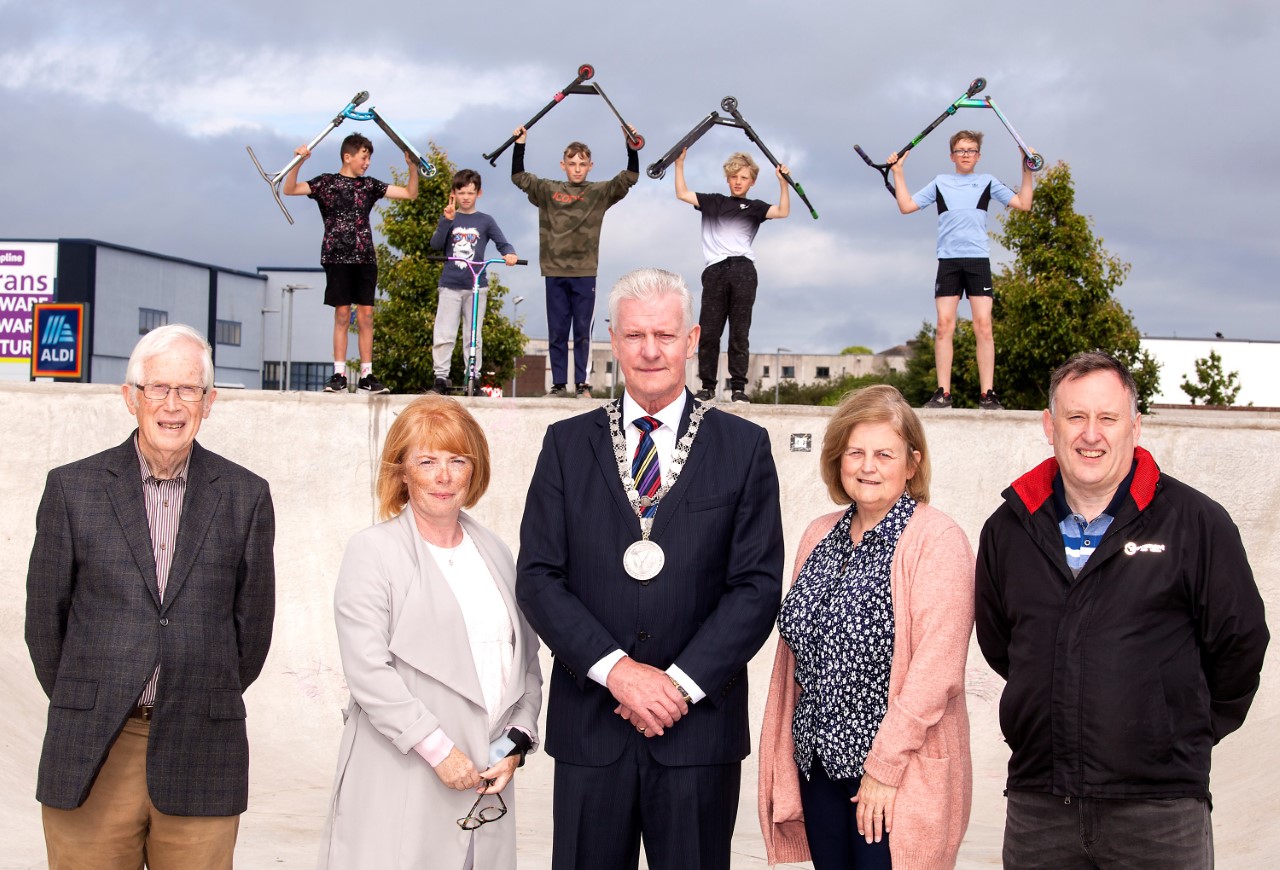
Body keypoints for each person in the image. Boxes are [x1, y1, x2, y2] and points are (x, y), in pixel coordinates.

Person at [516, 268, 783, 870]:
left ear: (691, 339)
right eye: (635, 335)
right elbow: (538, 576)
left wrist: (677, 686)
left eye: (664, 334)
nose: (650, 350)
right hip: (593, 726)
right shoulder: (566, 444)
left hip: (698, 732)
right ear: (613, 338)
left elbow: (757, 587)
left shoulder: (743, 448)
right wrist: (618, 674)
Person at [975, 351, 1269, 869]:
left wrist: (1178, 727)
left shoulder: (1195, 523)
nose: (1092, 434)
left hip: (1160, 813)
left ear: (1135, 426)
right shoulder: (1008, 529)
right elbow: (1004, 645)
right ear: (1049, 425)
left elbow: (1240, 646)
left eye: (1108, 418)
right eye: (1076, 417)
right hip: (1040, 808)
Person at [25, 324, 275, 869]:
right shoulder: (72, 489)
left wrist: (196, 688)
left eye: (189, 390)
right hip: (96, 748)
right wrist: (89, 694)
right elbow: (45, 623)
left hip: (201, 749)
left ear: (209, 403)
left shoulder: (245, 496)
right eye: (158, 389)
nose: (172, 405)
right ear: (130, 397)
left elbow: (251, 631)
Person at [318, 394, 542, 870]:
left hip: (487, 781)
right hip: (404, 773)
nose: (443, 477)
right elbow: (368, 672)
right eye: (427, 461)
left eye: (457, 461)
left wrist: (514, 747)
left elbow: (526, 663)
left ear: (473, 471)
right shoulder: (372, 552)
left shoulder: (497, 552)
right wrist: (440, 752)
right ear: (402, 472)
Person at [758, 385, 975, 869]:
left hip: (894, 777)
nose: (867, 466)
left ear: (912, 463)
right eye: (855, 452)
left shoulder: (936, 540)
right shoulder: (818, 535)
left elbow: (935, 671)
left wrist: (883, 769)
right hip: (818, 771)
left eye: (884, 453)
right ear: (838, 460)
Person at [888, 130, 1034, 411]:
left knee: (984, 326)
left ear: (978, 155)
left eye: (971, 150)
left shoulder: (987, 181)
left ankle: (987, 394)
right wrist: (898, 171)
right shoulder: (941, 182)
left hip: (978, 260)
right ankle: (943, 393)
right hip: (949, 262)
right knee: (944, 326)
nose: (966, 154)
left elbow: (1023, 204)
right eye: (961, 150)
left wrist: (1027, 170)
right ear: (952, 155)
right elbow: (906, 206)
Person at [284, 131, 419, 395]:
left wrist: (412, 168)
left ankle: (367, 375)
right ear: (348, 157)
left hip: (365, 257)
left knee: (366, 315)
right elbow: (290, 189)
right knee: (343, 313)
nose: (367, 163)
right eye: (363, 157)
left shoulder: (369, 186)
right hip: (336, 256)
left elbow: (410, 194)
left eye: (369, 158)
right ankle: (339, 374)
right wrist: (298, 161)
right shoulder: (326, 183)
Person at [510, 123, 639, 398]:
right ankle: (558, 385)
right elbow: (518, 177)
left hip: (584, 271)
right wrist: (520, 144)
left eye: (582, 163)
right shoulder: (548, 190)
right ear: (563, 165)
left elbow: (629, 177)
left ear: (591, 166)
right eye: (572, 163)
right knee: (557, 331)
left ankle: (582, 384)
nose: (577, 168)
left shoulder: (598, 192)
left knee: (582, 331)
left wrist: (631, 147)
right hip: (554, 270)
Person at [673, 148, 790, 403]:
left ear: (752, 182)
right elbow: (682, 193)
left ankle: (738, 388)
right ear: (728, 178)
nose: (738, 182)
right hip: (715, 270)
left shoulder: (755, 207)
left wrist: (783, 183)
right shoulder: (714, 201)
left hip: (743, 270)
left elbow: (782, 211)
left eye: (744, 178)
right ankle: (707, 386)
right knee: (710, 331)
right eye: (734, 176)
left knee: (739, 332)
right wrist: (679, 164)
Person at [429, 168, 520, 395]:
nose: (466, 197)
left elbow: (503, 244)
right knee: (444, 334)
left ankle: (474, 376)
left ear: (479, 193)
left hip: (476, 286)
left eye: (471, 192)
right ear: (454, 194)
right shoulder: (450, 217)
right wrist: (445, 221)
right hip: (450, 284)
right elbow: (435, 244)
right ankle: (441, 377)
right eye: (462, 193)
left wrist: (510, 254)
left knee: (473, 336)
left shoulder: (485, 221)